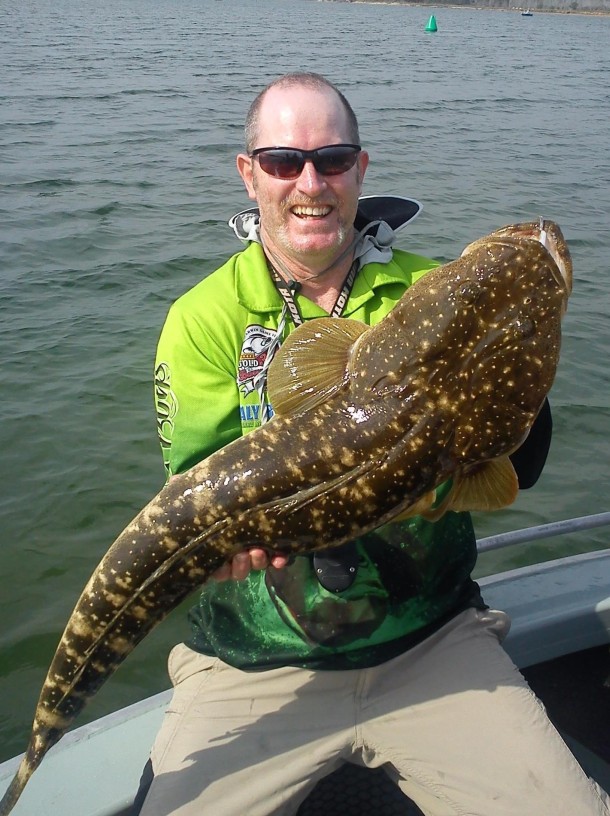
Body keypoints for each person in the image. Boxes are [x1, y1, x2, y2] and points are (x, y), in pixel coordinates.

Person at [135, 73, 609, 815]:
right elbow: (193, 493)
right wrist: (225, 550)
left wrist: (519, 379)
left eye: (333, 158)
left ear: (361, 168)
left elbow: (520, 463)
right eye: (285, 161)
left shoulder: (428, 285)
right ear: (249, 171)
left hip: (433, 645)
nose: (310, 182)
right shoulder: (203, 319)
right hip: (254, 664)